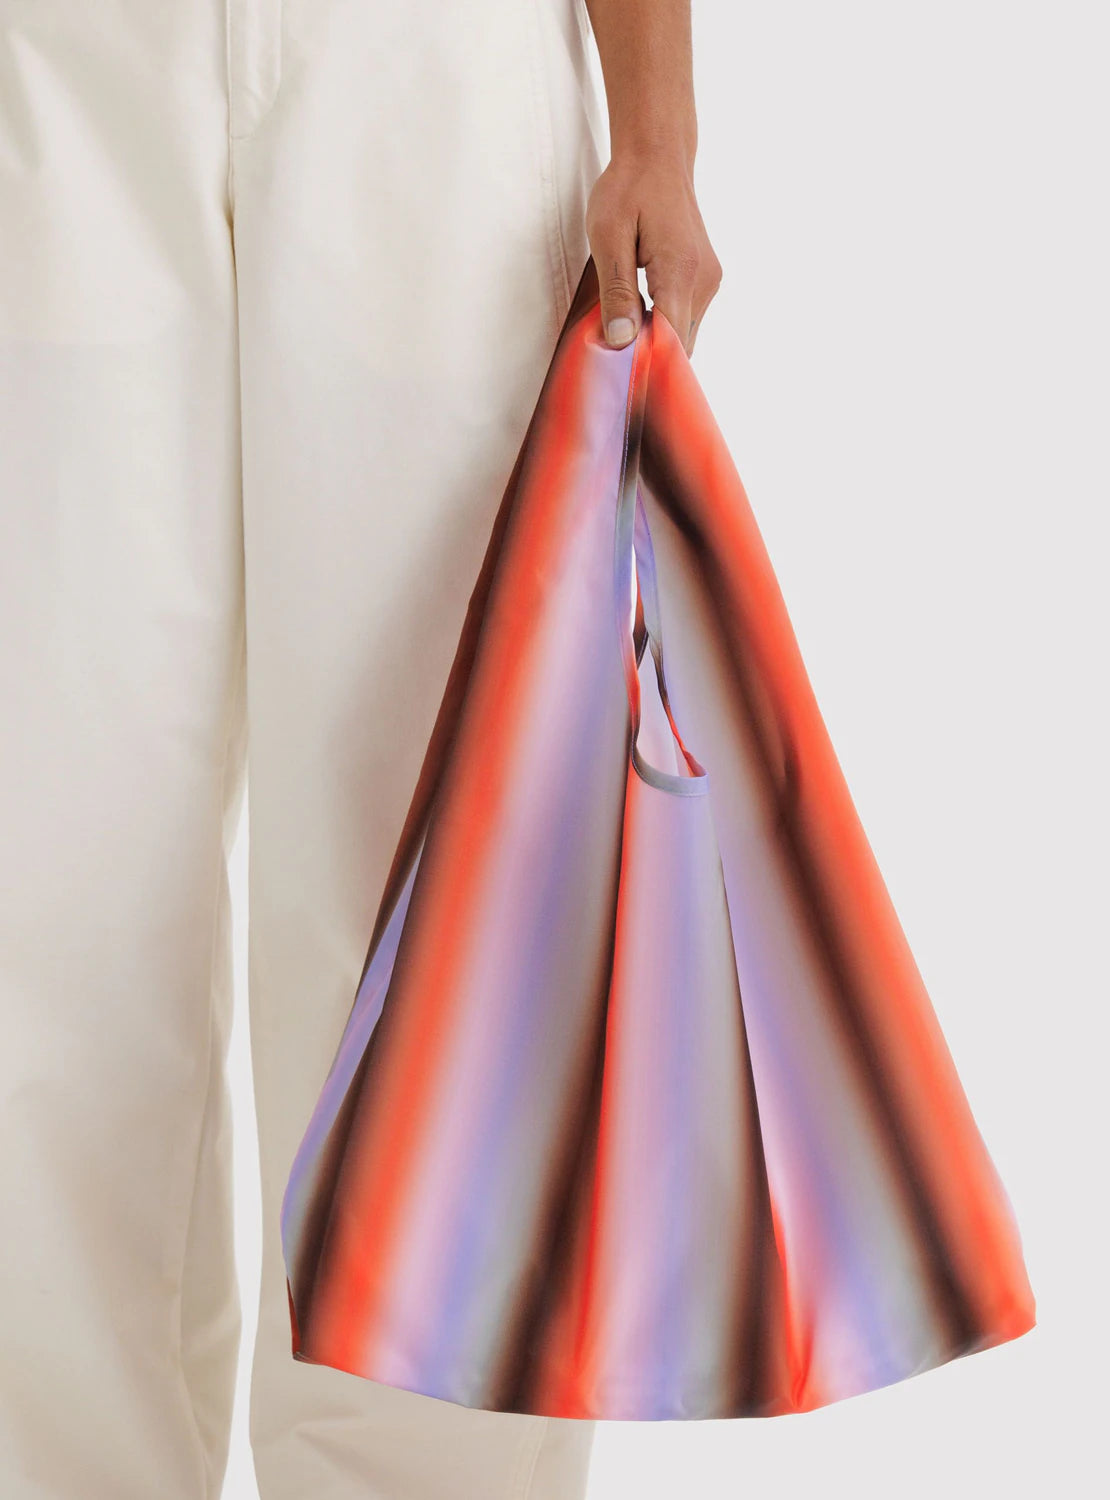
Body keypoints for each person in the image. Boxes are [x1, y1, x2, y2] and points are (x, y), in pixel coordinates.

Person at [0, 0, 720, 1496]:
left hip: (425, 71)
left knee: (433, 909)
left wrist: (657, 128)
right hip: (58, 69)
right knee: (47, 897)